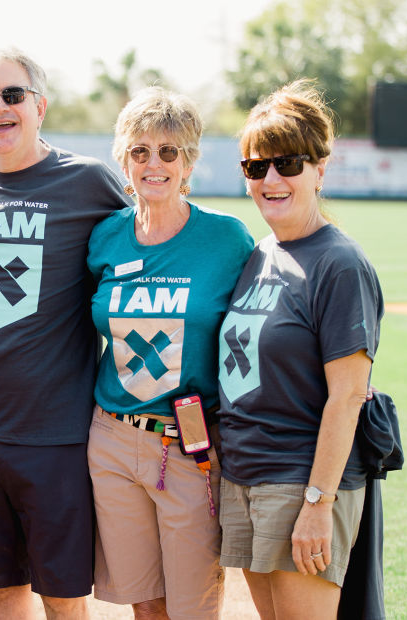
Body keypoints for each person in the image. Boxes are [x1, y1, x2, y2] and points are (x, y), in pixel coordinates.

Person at [0, 45, 128, 620]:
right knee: (3, 593)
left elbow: (151, 243)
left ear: (39, 106)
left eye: (12, 95)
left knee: (63, 598)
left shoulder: (91, 183)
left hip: (57, 435)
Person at [216, 79, 383, 619]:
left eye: (287, 164)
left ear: (319, 169)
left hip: (298, 482)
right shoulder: (259, 253)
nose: (271, 178)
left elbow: (348, 396)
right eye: (255, 166)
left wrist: (318, 504)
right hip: (244, 478)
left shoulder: (339, 263)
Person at [86, 87, 254, 619]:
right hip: (111, 439)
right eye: (139, 151)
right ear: (123, 159)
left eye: (168, 151)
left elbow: (263, 329)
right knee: (146, 603)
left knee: (193, 606)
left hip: (189, 448)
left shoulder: (227, 240)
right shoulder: (106, 237)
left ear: (189, 162)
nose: (153, 163)